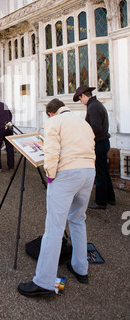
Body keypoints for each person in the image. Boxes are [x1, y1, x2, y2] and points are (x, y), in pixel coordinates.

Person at [18, 98, 95, 297]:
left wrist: (50, 176)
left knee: (54, 227)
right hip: (88, 172)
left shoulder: (54, 122)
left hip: (67, 174)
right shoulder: (83, 122)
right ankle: (81, 268)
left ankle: (43, 282)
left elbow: (51, 152)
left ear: (51, 113)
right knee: (78, 219)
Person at [73, 84, 116, 209]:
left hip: (99, 144)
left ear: (83, 96)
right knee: (104, 171)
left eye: (80, 98)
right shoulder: (95, 105)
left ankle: (101, 201)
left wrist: (83, 134)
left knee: (100, 173)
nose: (80, 101)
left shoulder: (93, 107)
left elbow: (95, 128)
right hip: (103, 143)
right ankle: (110, 198)